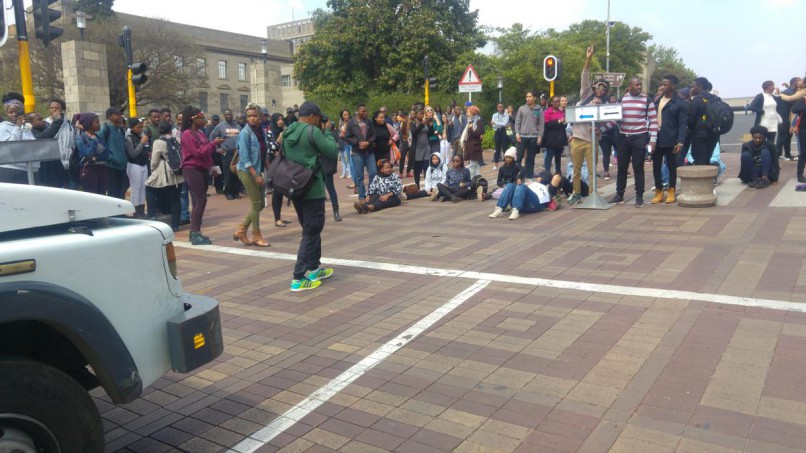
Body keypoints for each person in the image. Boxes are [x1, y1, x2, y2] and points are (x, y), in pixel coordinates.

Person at [282, 101, 338, 292]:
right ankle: (298, 277)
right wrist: (328, 131)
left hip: (295, 187)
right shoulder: (312, 131)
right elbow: (331, 151)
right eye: (318, 118)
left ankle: (313, 268)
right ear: (312, 116)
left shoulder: (288, 132)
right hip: (312, 188)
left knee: (310, 228)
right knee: (312, 230)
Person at [607, 77, 658, 208]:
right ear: (630, 86)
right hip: (623, 137)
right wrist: (600, 129)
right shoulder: (622, 99)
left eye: (640, 85)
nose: (639, 87)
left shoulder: (647, 100)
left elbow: (653, 121)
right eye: (636, 85)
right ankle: (619, 194)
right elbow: (613, 119)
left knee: (638, 167)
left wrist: (652, 140)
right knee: (622, 167)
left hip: (639, 137)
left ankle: (639, 196)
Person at [180, 106, 224, 245]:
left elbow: (207, 154)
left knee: (200, 201)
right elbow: (199, 152)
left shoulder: (200, 133)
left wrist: (213, 168)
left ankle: (196, 232)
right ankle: (194, 233)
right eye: (201, 117)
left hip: (203, 169)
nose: (204, 120)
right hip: (192, 169)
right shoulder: (187, 134)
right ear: (193, 119)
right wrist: (214, 144)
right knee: (200, 200)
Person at [568, 45, 605, 205]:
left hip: (591, 140)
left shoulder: (604, 106)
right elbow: (584, 74)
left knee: (591, 170)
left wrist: (600, 129)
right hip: (577, 138)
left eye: (605, 89)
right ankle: (576, 193)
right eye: (599, 87)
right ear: (594, 87)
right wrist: (588, 58)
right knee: (575, 169)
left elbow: (609, 124)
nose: (601, 90)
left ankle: (592, 194)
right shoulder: (586, 95)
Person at [233, 104, 270, 247]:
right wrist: (256, 175)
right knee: (256, 203)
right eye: (249, 116)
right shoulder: (245, 133)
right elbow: (245, 158)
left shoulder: (261, 131)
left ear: (260, 116)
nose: (252, 118)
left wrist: (269, 171)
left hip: (257, 170)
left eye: (255, 115)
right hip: (246, 171)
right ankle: (256, 235)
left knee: (261, 204)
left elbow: (264, 153)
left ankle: (241, 230)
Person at [651, 74, 688, 204]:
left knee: (672, 165)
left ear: (672, 86)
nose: (662, 86)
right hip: (656, 137)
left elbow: (683, 124)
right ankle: (659, 191)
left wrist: (680, 141)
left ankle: (671, 190)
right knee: (656, 165)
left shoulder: (680, 102)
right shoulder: (657, 100)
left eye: (665, 84)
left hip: (671, 138)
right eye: (662, 84)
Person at [145, 121, 184, 231]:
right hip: (178, 174)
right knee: (175, 199)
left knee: (149, 188)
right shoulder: (176, 140)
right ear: (170, 130)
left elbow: (154, 161)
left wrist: (153, 171)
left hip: (164, 172)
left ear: (159, 130)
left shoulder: (158, 142)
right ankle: (175, 224)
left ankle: (152, 216)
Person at [489, 169, 560, 220]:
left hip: (534, 204)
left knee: (521, 186)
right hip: (523, 203)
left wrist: (525, 185)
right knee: (510, 185)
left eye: (538, 177)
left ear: (542, 178)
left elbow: (557, 178)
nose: (537, 178)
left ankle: (516, 210)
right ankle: (499, 209)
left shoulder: (548, 187)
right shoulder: (532, 183)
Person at [344, 104, 376, 200]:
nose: (365, 113)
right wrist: (357, 143)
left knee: (373, 172)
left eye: (366, 111)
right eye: (363, 111)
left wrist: (368, 142)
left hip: (369, 151)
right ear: (358, 111)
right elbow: (347, 137)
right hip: (357, 153)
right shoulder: (351, 123)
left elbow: (374, 135)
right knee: (359, 175)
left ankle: (370, 194)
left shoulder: (369, 122)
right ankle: (362, 196)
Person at [209, 109, 242, 200]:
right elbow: (211, 137)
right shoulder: (220, 126)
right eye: (227, 115)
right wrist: (216, 148)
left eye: (230, 115)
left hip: (237, 153)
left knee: (237, 173)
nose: (229, 116)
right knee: (228, 173)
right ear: (224, 116)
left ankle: (236, 192)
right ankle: (228, 192)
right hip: (226, 153)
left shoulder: (238, 126)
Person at [687, 77, 721, 166]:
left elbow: (690, 120)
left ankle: (701, 179)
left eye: (693, 86)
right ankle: (709, 179)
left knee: (699, 161)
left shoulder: (696, 100)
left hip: (700, 135)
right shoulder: (716, 99)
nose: (691, 88)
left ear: (699, 87)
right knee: (707, 159)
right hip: (714, 134)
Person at [513, 90, 545, 178]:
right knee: (518, 158)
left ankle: (529, 176)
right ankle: (517, 176)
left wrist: (540, 136)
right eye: (527, 97)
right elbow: (517, 122)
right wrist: (517, 133)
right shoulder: (522, 108)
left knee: (531, 158)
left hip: (534, 137)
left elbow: (541, 124)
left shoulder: (539, 110)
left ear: (534, 98)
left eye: (530, 97)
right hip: (522, 136)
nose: (528, 98)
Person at [75, 113, 109, 194]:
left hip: (102, 169)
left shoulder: (99, 137)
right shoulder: (80, 138)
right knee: (91, 196)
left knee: (102, 196)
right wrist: (93, 142)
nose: (99, 124)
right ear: (89, 124)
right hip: (89, 170)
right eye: (96, 122)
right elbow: (88, 154)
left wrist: (95, 158)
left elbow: (107, 154)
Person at [125, 117, 150, 217]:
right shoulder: (129, 138)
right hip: (134, 164)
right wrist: (142, 143)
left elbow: (146, 148)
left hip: (144, 164)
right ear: (132, 127)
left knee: (143, 188)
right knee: (136, 188)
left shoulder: (141, 135)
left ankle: (141, 209)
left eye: (141, 127)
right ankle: (135, 210)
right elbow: (132, 154)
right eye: (138, 127)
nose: (140, 129)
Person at [100, 108, 128, 199]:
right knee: (113, 192)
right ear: (110, 117)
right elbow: (100, 145)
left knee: (122, 191)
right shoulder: (105, 128)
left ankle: (120, 212)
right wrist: (111, 158)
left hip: (122, 166)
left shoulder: (121, 130)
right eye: (117, 114)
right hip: (111, 166)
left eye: (120, 114)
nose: (120, 116)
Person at [321, 116, 342, 222]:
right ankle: (321, 213)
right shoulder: (316, 132)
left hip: (328, 166)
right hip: (318, 166)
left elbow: (334, 150)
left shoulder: (331, 134)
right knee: (320, 191)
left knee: (331, 189)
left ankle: (336, 211)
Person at [777, 77, 802, 160]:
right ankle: (778, 154)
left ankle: (787, 154)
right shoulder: (788, 92)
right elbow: (792, 97)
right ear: (794, 82)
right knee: (782, 136)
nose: (800, 83)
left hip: (787, 117)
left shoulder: (790, 91)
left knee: (788, 136)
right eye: (799, 81)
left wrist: (787, 86)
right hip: (783, 117)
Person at [409, 107, 433, 188]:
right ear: (416, 115)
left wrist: (430, 125)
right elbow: (414, 133)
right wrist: (422, 124)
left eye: (423, 114)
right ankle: (417, 186)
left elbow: (430, 134)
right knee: (417, 169)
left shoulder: (425, 122)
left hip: (426, 147)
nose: (422, 115)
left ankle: (427, 186)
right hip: (417, 149)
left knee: (427, 167)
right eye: (420, 114)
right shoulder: (413, 123)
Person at [543, 96, 567, 175]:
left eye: (558, 101)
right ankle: (547, 173)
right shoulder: (547, 112)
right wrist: (558, 121)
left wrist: (563, 123)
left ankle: (558, 172)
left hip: (559, 138)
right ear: (551, 102)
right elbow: (547, 124)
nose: (556, 103)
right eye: (555, 101)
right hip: (550, 139)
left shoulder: (561, 112)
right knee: (549, 157)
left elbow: (564, 125)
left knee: (558, 157)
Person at [462, 106, 485, 178]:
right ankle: (477, 177)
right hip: (470, 145)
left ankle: (472, 179)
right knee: (474, 163)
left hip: (475, 146)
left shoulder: (478, 120)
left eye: (468, 112)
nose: (466, 113)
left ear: (473, 112)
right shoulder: (470, 121)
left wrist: (471, 128)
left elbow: (479, 132)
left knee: (473, 164)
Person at [491, 103, 510, 170]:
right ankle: (496, 165)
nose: (500, 108)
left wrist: (496, 122)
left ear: (503, 107)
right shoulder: (494, 115)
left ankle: (507, 164)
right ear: (497, 108)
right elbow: (493, 126)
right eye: (499, 107)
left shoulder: (506, 115)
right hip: (497, 132)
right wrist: (500, 124)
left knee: (505, 148)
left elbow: (505, 124)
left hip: (504, 131)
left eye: (501, 107)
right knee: (497, 148)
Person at [337, 109, 352, 180]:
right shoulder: (340, 123)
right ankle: (343, 173)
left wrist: (344, 133)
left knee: (348, 159)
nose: (346, 116)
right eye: (344, 115)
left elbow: (348, 133)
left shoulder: (351, 123)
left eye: (347, 114)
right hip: (342, 143)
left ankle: (350, 173)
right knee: (343, 159)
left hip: (349, 143)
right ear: (342, 116)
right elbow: (340, 132)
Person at [396, 111, 410, 178]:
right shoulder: (402, 122)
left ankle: (408, 171)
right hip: (404, 141)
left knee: (411, 157)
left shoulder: (409, 121)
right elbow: (401, 131)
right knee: (402, 157)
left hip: (410, 141)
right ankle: (401, 172)